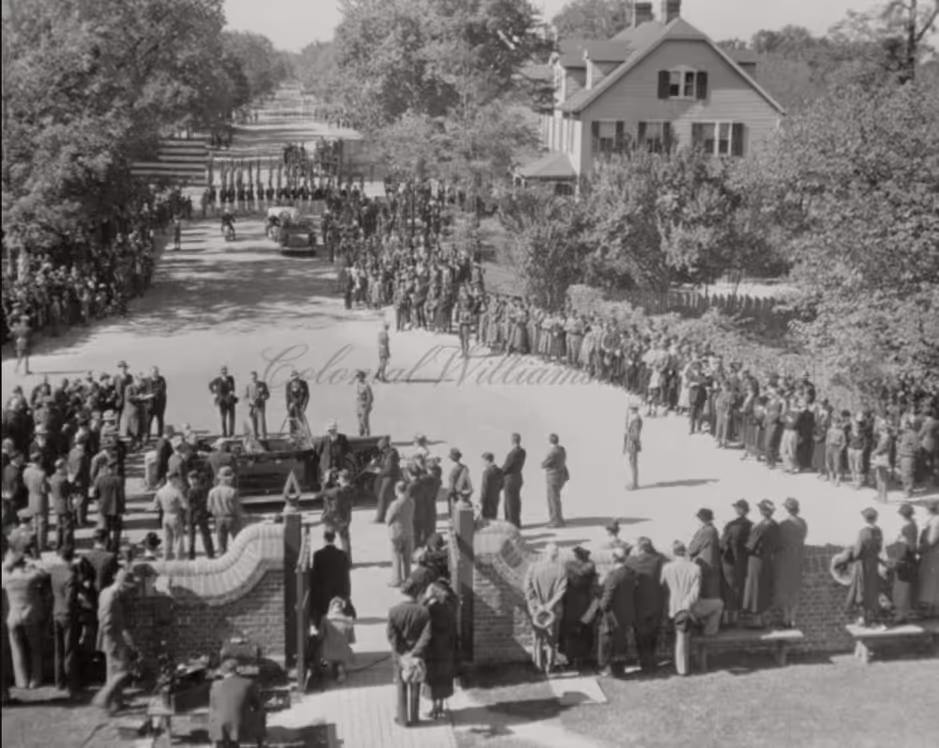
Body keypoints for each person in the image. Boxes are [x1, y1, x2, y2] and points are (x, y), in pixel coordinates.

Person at [387, 576, 432, 727]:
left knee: (401, 685)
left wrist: (401, 651)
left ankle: (403, 719)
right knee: (415, 684)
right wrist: (415, 651)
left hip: (400, 655)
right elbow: (427, 634)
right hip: (417, 654)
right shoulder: (424, 612)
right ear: (417, 593)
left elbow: (391, 635)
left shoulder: (394, 611)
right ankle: (414, 717)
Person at [2, 549, 48, 689]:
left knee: (17, 650)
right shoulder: (31, 576)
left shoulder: (7, 579)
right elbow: (44, 573)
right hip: (31, 615)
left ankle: (21, 681)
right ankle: (35, 680)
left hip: (13, 616)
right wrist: (33, 564)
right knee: (35, 650)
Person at [92, 569, 136, 714]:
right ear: (122, 584)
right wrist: (115, 639)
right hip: (113, 639)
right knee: (122, 670)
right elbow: (106, 621)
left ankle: (116, 703)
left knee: (113, 672)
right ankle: (103, 697)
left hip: (111, 638)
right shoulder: (111, 597)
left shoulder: (105, 592)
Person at [523, 543, 568, 672]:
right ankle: (550, 666)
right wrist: (550, 605)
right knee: (552, 640)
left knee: (537, 639)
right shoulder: (561, 569)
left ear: (545, 552)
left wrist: (537, 604)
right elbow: (562, 590)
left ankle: (538, 666)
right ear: (556, 554)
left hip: (537, 610)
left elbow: (527, 587)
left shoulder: (533, 567)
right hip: (554, 611)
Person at [661, 541, 702, 676]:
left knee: (681, 637)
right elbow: (695, 592)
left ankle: (682, 667)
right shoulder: (695, 568)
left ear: (673, 553)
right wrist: (687, 604)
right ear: (685, 551)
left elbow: (662, 584)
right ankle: (684, 667)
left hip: (674, 605)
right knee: (684, 637)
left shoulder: (667, 568)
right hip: (688, 606)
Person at [625, 537, 665, 672]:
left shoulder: (632, 561)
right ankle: (652, 662)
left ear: (640, 548)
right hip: (656, 602)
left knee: (640, 636)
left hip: (638, 604)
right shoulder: (659, 559)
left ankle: (644, 662)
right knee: (653, 634)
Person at [596, 546, 635, 677]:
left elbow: (608, 597)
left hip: (613, 615)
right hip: (627, 612)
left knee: (608, 642)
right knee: (621, 642)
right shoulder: (631, 573)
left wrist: (601, 605)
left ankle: (610, 669)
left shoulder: (614, 575)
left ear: (614, 558)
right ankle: (620, 669)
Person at [208, 659, 265, 748]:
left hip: (220, 728)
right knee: (260, 712)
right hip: (241, 725)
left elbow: (213, 706)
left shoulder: (215, 685)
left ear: (223, 672)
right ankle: (260, 741)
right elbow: (257, 704)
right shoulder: (248, 683)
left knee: (215, 715)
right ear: (237, 670)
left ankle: (218, 742)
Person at [422, 579, 458, 719]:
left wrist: (427, 598)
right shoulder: (450, 608)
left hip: (433, 650)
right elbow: (454, 600)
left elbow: (418, 611)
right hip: (447, 649)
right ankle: (441, 707)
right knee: (444, 678)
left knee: (433, 679)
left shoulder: (430, 610)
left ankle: (434, 709)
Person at [742, 499, 779, 628]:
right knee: (764, 589)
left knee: (755, 589)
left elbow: (749, 546)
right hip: (768, 560)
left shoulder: (762, 526)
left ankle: (756, 622)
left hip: (756, 561)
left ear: (764, 511)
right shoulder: (775, 525)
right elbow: (777, 546)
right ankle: (762, 619)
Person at [559, 546, 597, 670]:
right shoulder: (590, 567)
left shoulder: (568, 566)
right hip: (585, 603)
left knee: (569, 632)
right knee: (584, 631)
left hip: (570, 603)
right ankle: (582, 658)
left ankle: (570, 658)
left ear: (576, 556)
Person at [844, 507, 884, 626]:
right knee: (873, 590)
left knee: (861, 590)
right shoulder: (879, 531)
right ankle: (873, 617)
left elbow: (857, 552)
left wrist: (851, 555)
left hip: (863, 564)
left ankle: (864, 618)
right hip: (874, 563)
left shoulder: (863, 532)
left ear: (865, 518)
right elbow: (879, 548)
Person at [50, 544, 80, 696]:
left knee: (58, 649)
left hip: (56, 611)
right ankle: (71, 683)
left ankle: (59, 681)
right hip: (68, 614)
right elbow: (71, 599)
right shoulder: (71, 574)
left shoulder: (54, 570)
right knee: (69, 650)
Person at [775, 497, 808, 628]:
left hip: (785, 559)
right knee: (795, 589)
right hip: (797, 558)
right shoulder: (803, 523)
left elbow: (778, 542)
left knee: (784, 588)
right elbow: (803, 538)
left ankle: (785, 617)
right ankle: (793, 618)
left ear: (787, 509)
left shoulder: (783, 524)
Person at [719, 499, 752, 627]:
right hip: (744, 562)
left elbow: (722, 544)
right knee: (740, 589)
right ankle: (737, 618)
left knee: (728, 589)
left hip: (729, 562)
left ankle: (727, 619)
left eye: (737, 508)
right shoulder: (751, 525)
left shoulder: (731, 525)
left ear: (739, 510)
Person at [310, 530, 352, 625]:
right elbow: (346, 576)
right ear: (334, 538)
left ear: (324, 538)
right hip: (339, 593)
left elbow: (315, 577)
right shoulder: (342, 555)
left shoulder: (318, 555)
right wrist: (347, 593)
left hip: (323, 593)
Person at [320, 469, 356, 561]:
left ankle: (326, 559)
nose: (337, 479)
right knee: (345, 540)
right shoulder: (352, 489)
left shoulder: (337, 491)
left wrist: (325, 481)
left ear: (342, 479)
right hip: (345, 517)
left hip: (333, 518)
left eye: (339, 478)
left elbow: (324, 492)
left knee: (328, 538)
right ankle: (347, 561)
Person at [891, 503, 918, 623]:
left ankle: (901, 615)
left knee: (902, 587)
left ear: (904, 515)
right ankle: (903, 614)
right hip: (908, 560)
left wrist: (900, 543)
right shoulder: (912, 525)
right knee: (904, 587)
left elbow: (911, 547)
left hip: (905, 560)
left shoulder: (908, 527)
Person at [149, 478, 189, 561]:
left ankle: (167, 556)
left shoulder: (160, 491)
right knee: (178, 538)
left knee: (167, 538)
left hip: (165, 515)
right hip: (175, 515)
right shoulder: (177, 492)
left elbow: (155, 505)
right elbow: (185, 505)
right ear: (174, 480)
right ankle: (179, 557)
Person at [688, 508, 722, 606]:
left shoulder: (706, 531)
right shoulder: (713, 530)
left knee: (704, 595)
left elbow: (692, 550)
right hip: (712, 565)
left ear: (702, 519)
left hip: (705, 566)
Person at [319, 597, 356, 684]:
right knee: (344, 655)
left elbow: (320, 636)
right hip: (343, 651)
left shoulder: (325, 619)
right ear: (341, 608)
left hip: (328, 651)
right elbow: (351, 639)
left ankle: (325, 668)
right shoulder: (348, 620)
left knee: (322, 654)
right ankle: (341, 668)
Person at [208, 466, 243, 555]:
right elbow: (237, 508)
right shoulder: (233, 491)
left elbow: (209, 508)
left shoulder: (212, 492)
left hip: (219, 519)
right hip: (231, 518)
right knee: (238, 543)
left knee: (221, 546)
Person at [92, 457, 125, 552]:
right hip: (115, 509)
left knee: (105, 529)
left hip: (103, 509)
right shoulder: (119, 480)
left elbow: (95, 495)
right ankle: (115, 548)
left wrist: (98, 507)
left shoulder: (99, 480)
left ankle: (106, 546)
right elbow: (121, 496)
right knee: (117, 530)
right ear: (114, 468)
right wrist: (122, 510)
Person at [387, 481, 415, 587]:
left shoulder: (395, 504)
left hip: (397, 532)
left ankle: (397, 579)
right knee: (407, 557)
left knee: (396, 556)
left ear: (397, 490)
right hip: (408, 531)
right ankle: (408, 578)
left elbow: (388, 519)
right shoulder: (411, 502)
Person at [23, 450, 50, 553]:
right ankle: (42, 545)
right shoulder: (42, 473)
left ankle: (34, 543)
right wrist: (49, 485)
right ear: (40, 459)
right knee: (42, 523)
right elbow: (44, 489)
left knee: (34, 523)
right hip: (41, 499)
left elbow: (25, 482)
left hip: (31, 497)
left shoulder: (26, 471)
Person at [187, 468, 216, 560]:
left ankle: (191, 555)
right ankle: (210, 553)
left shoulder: (191, 490)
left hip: (191, 514)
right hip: (201, 514)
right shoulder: (203, 489)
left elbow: (188, 503)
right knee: (205, 534)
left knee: (191, 536)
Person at [541, 433, 568, 529]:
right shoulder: (562, 450)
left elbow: (544, 464)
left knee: (553, 499)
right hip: (561, 476)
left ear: (550, 441)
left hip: (553, 477)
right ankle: (558, 518)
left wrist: (543, 463)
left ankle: (555, 521)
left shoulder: (553, 452)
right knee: (556, 498)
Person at [917, 499, 939, 615]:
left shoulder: (935, 521)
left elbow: (931, 540)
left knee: (930, 580)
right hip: (931, 552)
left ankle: (931, 608)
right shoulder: (933, 520)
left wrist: (920, 548)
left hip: (933, 553)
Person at [316, 420, 351, 489]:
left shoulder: (342, 438)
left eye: (332, 430)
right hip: (327, 466)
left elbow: (347, 449)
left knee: (341, 483)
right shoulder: (323, 440)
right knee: (325, 483)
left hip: (339, 465)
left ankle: (341, 497)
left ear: (336, 429)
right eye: (329, 430)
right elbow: (318, 451)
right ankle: (325, 497)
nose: (331, 432)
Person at [501, 433, 526, 528]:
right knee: (516, 501)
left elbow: (507, 466)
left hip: (510, 479)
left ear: (512, 441)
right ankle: (516, 522)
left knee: (509, 502)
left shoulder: (513, 453)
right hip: (518, 477)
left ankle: (511, 523)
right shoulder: (522, 451)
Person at [50, 457, 74, 552]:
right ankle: (66, 548)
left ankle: (58, 546)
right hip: (65, 505)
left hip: (57, 504)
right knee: (67, 529)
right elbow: (70, 491)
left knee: (59, 527)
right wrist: (72, 481)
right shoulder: (64, 480)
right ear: (62, 467)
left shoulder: (53, 477)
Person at [209, 366, 237, 438]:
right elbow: (210, 385)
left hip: (230, 400)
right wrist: (214, 393)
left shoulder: (230, 378)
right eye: (222, 371)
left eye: (225, 371)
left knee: (232, 417)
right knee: (223, 418)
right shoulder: (217, 380)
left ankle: (231, 433)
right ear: (221, 372)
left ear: (227, 371)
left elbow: (233, 387)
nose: (224, 372)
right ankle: (224, 433)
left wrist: (232, 391)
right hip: (222, 401)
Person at [445, 448, 472, 518]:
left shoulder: (455, 468)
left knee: (454, 512)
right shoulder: (464, 467)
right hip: (462, 493)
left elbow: (452, 482)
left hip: (454, 493)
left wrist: (449, 493)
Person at [244, 371, 270, 439]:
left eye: (254, 377)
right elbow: (246, 397)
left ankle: (263, 436)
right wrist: (250, 401)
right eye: (252, 378)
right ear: (250, 378)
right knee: (253, 422)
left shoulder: (262, 384)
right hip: (252, 407)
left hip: (260, 405)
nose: (253, 379)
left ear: (257, 377)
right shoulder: (248, 386)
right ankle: (255, 436)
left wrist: (263, 397)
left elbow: (267, 394)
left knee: (261, 422)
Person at [478, 452, 503, 520]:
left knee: (486, 521)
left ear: (487, 460)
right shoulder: (500, 471)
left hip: (487, 501)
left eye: (483, 461)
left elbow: (484, 489)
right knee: (494, 518)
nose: (483, 463)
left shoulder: (486, 473)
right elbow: (502, 485)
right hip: (496, 498)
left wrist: (481, 501)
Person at [285, 370, 311, 436]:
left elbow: (307, 396)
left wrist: (304, 406)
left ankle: (301, 436)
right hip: (292, 406)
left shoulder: (303, 384)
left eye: (296, 378)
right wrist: (288, 407)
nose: (295, 380)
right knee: (292, 420)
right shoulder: (288, 385)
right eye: (293, 379)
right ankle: (292, 435)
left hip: (300, 406)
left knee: (300, 421)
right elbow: (287, 396)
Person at [623, 404, 642, 491]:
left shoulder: (636, 420)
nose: (630, 411)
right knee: (631, 462)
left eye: (631, 409)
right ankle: (634, 482)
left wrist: (628, 433)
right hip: (631, 443)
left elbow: (636, 435)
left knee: (633, 463)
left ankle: (634, 483)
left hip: (633, 443)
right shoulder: (634, 419)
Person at [147, 366, 168, 442]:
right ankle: (147, 435)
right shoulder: (147, 380)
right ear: (151, 372)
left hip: (160, 403)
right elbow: (146, 390)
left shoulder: (162, 379)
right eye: (153, 371)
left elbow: (162, 389)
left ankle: (160, 435)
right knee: (148, 420)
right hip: (150, 403)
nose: (154, 373)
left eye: (156, 371)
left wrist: (153, 393)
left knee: (160, 420)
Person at [354, 370, 374, 437]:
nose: (359, 378)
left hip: (364, 405)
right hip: (358, 405)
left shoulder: (366, 386)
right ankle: (361, 436)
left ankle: (367, 435)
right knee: (360, 423)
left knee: (364, 421)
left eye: (360, 376)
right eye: (358, 377)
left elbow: (370, 398)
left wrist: (367, 407)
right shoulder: (358, 385)